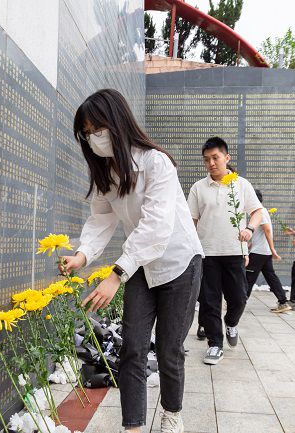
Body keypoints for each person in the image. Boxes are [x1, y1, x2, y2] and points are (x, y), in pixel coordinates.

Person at [60, 89, 204, 433]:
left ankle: (171, 415)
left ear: (117, 122)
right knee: (132, 350)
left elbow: (156, 227)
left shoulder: (156, 162)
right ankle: (133, 427)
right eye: (87, 133)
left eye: (99, 129)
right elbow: (101, 218)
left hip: (179, 263)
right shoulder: (105, 173)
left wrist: (115, 275)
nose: (94, 139)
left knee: (169, 350)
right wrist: (82, 255)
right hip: (139, 266)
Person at [187, 137, 262, 365]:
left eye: (215, 158)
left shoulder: (241, 185)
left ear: (226, 158)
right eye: (206, 159)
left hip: (234, 252)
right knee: (209, 302)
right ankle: (214, 345)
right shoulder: (198, 188)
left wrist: (249, 229)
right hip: (207, 253)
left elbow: (257, 211)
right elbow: (191, 221)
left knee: (238, 298)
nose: (211, 163)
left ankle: (231, 322)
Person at [245, 190, 291, 313]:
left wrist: (273, 249)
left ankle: (240, 302)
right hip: (262, 252)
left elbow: (267, 231)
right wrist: (250, 245)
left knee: (248, 277)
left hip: (259, 253)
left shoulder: (261, 212)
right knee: (271, 278)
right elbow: (260, 233)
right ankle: (283, 302)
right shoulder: (260, 212)